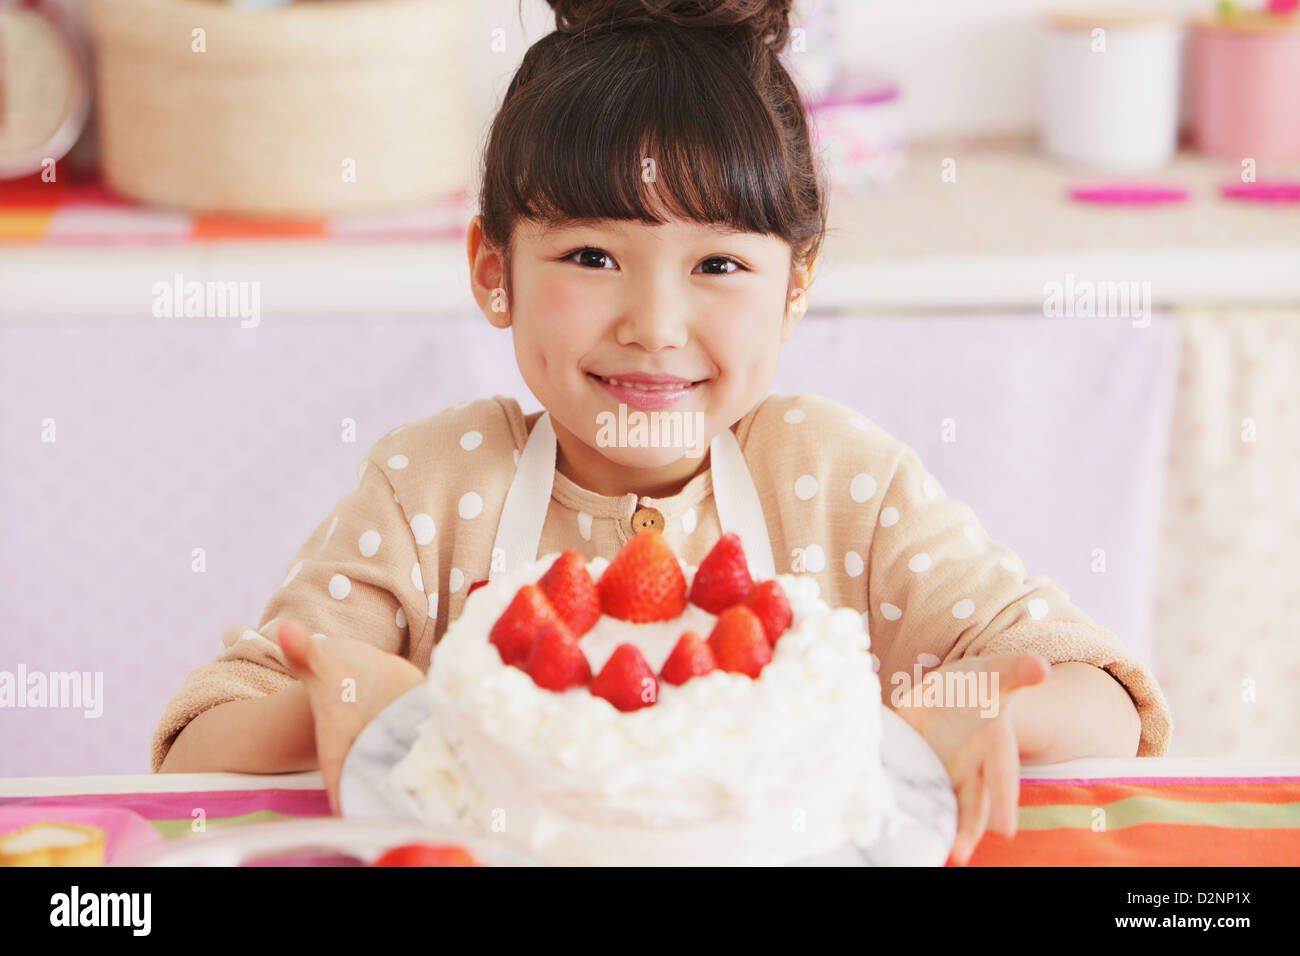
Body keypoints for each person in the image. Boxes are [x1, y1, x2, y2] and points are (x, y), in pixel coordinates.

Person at [153, 0, 1173, 866]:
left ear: (796, 285)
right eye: (592, 254)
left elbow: (1107, 703)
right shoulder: (434, 486)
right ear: (492, 267)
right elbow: (195, 745)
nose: (654, 323)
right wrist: (360, 691)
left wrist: (956, 697)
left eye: (717, 265)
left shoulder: (829, 476)